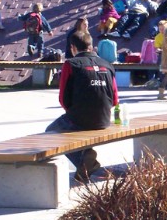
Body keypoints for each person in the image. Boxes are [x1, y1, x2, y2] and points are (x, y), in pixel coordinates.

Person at [45, 31, 118, 183]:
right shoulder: (108, 65)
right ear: (91, 46)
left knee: (51, 131)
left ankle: (83, 158)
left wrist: (74, 112)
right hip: (104, 119)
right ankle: (86, 162)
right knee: (69, 125)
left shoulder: (71, 64)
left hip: (79, 118)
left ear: (73, 48)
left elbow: (63, 98)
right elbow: (115, 99)